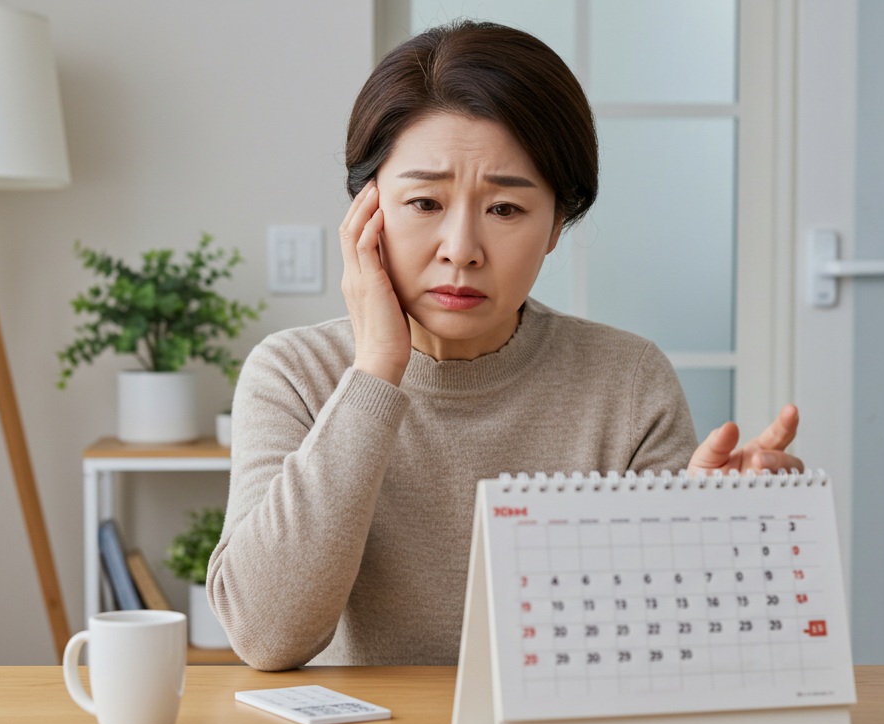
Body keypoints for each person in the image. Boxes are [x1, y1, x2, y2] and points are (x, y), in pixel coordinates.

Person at [207, 20, 804, 672]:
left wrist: (709, 534)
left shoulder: (628, 380)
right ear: (366, 213)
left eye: (506, 210)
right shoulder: (294, 374)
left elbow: (665, 653)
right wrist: (377, 367)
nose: (460, 249)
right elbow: (267, 638)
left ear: (556, 224)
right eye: (426, 202)